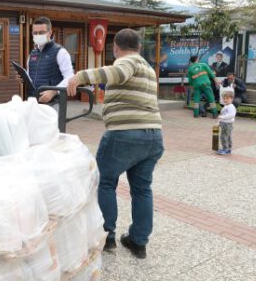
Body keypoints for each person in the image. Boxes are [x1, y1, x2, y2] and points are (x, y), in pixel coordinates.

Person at [67, 28, 163, 259]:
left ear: (116, 48)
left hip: (125, 135)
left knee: (105, 182)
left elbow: (118, 73)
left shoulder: (128, 62)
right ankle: (138, 242)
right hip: (153, 137)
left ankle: (106, 236)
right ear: (139, 47)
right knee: (141, 189)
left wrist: (80, 76)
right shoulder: (148, 69)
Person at [27, 16, 74, 103]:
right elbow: (31, 76)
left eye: (41, 32)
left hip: (54, 103)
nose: (37, 35)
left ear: (50, 33)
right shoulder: (33, 53)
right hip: (33, 101)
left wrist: (53, 91)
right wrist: (23, 77)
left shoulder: (61, 52)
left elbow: (70, 77)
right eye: (35, 33)